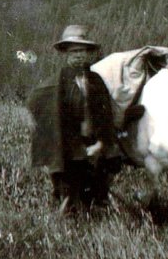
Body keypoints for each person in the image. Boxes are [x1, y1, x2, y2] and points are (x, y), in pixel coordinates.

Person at [27, 24, 119, 214]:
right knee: (69, 200)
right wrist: (80, 149)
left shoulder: (96, 81)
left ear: (89, 54)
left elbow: (106, 117)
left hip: (95, 146)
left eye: (83, 51)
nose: (79, 55)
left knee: (97, 197)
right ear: (66, 53)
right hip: (69, 150)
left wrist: (101, 143)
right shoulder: (57, 84)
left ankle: (98, 227)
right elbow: (50, 118)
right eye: (75, 51)